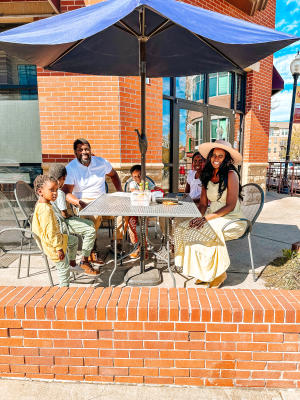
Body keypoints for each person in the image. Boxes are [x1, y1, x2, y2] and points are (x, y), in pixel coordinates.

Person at [174, 140, 247, 288]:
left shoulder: (231, 175)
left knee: (207, 230)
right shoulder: (206, 175)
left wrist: (206, 219)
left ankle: (219, 273)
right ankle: (204, 273)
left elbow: (231, 205)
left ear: (226, 158)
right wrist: (199, 218)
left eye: (220, 156)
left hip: (232, 219)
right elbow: (202, 204)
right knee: (184, 227)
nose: (216, 159)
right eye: (214, 155)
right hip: (212, 216)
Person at [62, 138, 123, 264]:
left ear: (90, 150)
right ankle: (91, 250)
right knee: (94, 216)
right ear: (75, 152)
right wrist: (78, 201)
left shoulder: (101, 162)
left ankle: (116, 243)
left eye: (86, 149)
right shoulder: (71, 168)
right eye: (80, 150)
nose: (84, 152)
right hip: (83, 201)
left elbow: (114, 175)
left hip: (103, 199)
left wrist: (120, 192)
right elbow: (66, 192)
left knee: (123, 210)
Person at [48, 164, 99, 276]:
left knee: (90, 224)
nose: (64, 182)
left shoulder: (47, 189)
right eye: (64, 179)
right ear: (61, 179)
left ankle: (75, 262)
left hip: (55, 224)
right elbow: (64, 213)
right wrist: (71, 216)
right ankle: (84, 261)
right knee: (90, 230)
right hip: (62, 223)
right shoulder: (59, 192)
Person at [32, 175, 80, 287]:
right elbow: (51, 232)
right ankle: (63, 293)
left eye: (56, 190)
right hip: (52, 245)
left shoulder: (43, 204)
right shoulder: (45, 210)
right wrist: (59, 249)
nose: (55, 193)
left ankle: (72, 263)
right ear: (40, 191)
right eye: (51, 190)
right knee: (63, 270)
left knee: (73, 240)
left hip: (55, 240)